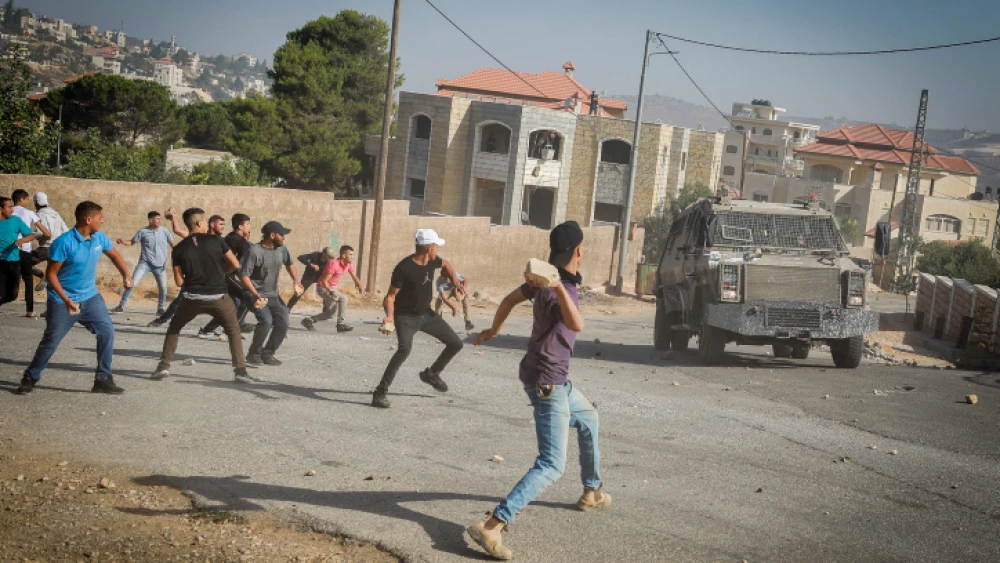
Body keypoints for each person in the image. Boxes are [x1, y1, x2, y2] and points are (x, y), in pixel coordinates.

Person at [466, 221, 609, 560]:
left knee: (588, 417)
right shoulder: (559, 287)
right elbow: (577, 324)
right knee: (550, 464)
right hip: (548, 382)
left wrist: (494, 328)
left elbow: (508, 299)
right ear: (579, 250)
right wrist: (560, 289)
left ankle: (592, 490)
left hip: (544, 375)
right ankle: (492, 526)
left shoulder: (542, 281)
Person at [14, 201, 134, 395]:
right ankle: (30, 377)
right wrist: (67, 300)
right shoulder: (64, 242)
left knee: (107, 332)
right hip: (62, 300)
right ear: (88, 219)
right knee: (51, 341)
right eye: (100, 218)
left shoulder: (99, 238)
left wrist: (126, 275)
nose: (102, 221)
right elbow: (51, 275)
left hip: (90, 298)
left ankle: (103, 379)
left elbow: (114, 255)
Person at [151, 208, 252, 384]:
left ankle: (164, 366)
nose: (206, 223)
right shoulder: (217, 241)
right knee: (233, 331)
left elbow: (179, 282)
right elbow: (235, 264)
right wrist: (221, 273)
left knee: (174, 328)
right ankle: (240, 371)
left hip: (192, 298)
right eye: (205, 221)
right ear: (199, 223)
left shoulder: (179, 249)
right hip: (218, 296)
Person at [371, 229, 465, 409]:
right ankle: (380, 393)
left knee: (456, 343)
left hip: (427, 315)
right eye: (436, 245)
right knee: (404, 350)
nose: (437, 248)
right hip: (405, 316)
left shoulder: (432, 261)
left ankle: (431, 374)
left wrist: (456, 281)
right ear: (429, 248)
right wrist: (389, 318)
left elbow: (446, 264)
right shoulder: (404, 268)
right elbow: (390, 296)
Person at [147, 210, 228, 328]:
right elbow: (178, 231)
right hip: (195, 278)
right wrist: (173, 217)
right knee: (180, 300)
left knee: (228, 303)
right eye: (220, 224)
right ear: (210, 224)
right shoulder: (196, 239)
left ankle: (227, 328)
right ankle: (162, 320)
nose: (222, 227)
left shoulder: (219, 241)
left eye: (223, 225)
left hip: (214, 279)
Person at [240, 221, 303, 366]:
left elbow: (290, 263)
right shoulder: (254, 251)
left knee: (283, 321)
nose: (284, 238)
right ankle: (253, 354)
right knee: (266, 321)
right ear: (272, 235)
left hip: (273, 295)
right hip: (253, 294)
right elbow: (244, 276)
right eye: (282, 235)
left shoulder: (281, 249)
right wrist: (255, 294)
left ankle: (268, 353)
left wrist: (296, 280)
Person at [197, 213, 254, 338]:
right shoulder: (239, 241)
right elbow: (249, 259)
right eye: (248, 224)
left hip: (222, 275)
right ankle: (235, 328)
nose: (250, 226)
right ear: (240, 226)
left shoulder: (230, 237)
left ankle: (207, 330)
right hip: (226, 276)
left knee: (230, 307)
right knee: (248, 297)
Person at [112, 211, 174, 315]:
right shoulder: (143, 231)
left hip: (160, 266)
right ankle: (121, 306)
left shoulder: (165, 231)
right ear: (150, 220)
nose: (159, 221)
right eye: (157, 219)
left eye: (160, 219)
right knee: (132, 283)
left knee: (163, 287)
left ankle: (160, 309)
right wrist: (123, 241)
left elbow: (173, 245)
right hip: (145, 263)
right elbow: (132, 242)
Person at [301, 245, 364, 333]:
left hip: (332, 289)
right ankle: (340, 324)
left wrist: (360, 286)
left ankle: (309, 320)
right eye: (351, 254)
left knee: (330, 314)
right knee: (343, 298)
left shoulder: (348, 264)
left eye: (353, 255)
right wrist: (331, 291)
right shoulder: (334, 264)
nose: (353, 257)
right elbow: (324, 281)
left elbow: (354, 277)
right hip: (323, 288)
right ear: (344, 255)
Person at [11, 189, 51, 317]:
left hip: (9, 249)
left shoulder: (7, 211)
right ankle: (30, 310)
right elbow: (46, 233)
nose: (28, 202)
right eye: (27, 200)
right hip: (24, 250)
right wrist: (31, 236)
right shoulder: (29, 213)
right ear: (22, 199)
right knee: (28, 280)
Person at [1, 197, 37, 308]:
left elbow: (31, 235)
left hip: (14, 261)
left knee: (12, 295)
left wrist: (22, 240)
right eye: (9, 207)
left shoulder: (15, 220)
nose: (12, 209)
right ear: (1, 209)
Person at [30, 192, 70, 293]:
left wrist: (28, 235)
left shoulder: (39, 215)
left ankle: (42, 275)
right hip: (57, 248)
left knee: (24, 262)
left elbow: (39, 232)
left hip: (45, 248)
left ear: (36, 203)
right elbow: (66, 231)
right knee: (55, 276)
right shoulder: (56, 214)